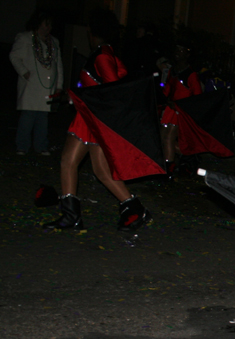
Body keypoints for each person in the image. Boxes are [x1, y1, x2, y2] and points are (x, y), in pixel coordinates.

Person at [43, 9, 152, 232]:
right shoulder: (105, 53)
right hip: (92, 117)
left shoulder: (102, 55)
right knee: (101, 170)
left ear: (94, 32)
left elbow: (111, 90)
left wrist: (76, 97)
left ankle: (71, 216)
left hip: (93, 119)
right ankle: (134, 209)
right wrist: (72, 96)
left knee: (68, 161)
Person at [10, 10, 63, 156]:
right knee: (28, 116)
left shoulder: (54, 42)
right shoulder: (25, 38)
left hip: (47, 87)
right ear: (38, 24)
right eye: (46, 25)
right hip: (31, 86)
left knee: (43, 117)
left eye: (50, 25)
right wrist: (24, 71)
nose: (48, 28)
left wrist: (59, 85)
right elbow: (14, 56)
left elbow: (58, 65)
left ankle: (41, 146)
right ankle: (22, 145)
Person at [158, 42, 203, 177]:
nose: (178, 52)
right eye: (177, 50)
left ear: (187, 54)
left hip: (181, 112)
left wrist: (180, 106)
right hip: (170, 109)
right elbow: (167, 90)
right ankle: (188, 155)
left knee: (169, 137)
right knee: (162, 137)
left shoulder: (191, 74)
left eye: (182, 50)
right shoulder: (173, 71)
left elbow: (197, 98)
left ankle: (168, 168)